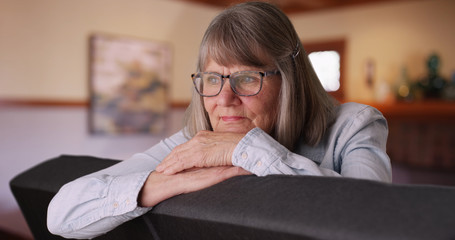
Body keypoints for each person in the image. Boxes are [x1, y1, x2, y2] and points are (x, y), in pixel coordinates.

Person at [47, 2, 391, 239]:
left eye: (247, 78)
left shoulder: (354, 125)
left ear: (289, 79)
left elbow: (371, 222)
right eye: (213, 79)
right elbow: (61, 214)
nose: (224, 99)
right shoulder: (194, 142)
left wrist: (247, 149)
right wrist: (162, 185)